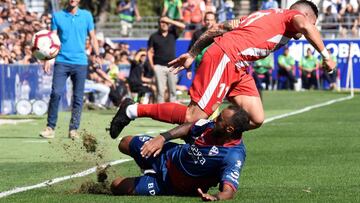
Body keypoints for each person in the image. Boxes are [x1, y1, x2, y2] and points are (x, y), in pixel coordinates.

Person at [109, 0, 336, 139]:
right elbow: (305, 26)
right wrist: (325, 56)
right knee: (193, 116)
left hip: (238, 66)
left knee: (256, 118)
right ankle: (132, 109)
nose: (309, 29)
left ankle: (208, 137)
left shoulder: (263, 16)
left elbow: (220, 27)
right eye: (312, 23)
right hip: (226, 57)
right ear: (304, 16)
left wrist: (192, 53)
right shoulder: (291, 17)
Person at [111, 105, 250, 201]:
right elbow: (189, 127)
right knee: (124, 142)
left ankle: (150, 175)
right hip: (168, 154)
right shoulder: (212, 126)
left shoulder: (233, 156)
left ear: (229, 129)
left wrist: (215, 197)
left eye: (220, 120)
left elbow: (229, 191)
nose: (215, 120)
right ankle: (147, 167)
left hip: (170, 184)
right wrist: (162, 138)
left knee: (116, 185)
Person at [39, 0, 101, 139]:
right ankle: (50, 128)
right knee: (56, 93)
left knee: (78, 98)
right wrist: (48, 58)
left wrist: (97, 55)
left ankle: (73, 129)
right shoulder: (57, 16)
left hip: (80, 62)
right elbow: (52, 39)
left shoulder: (87, 15)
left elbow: (93, 37)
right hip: (62, 61)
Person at [147, 16, 185, 103]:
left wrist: (170, 20)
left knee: (173, 90)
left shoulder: (173, 33)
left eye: (166, 22)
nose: (164, 24)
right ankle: (160, 111)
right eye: (162, 22)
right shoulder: (154, 36)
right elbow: (149, 52)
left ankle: (172, 111)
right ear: (159, 24)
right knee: (160, 91)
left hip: (172, 66)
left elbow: (183, 26)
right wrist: (153, 66)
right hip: (159, 66)